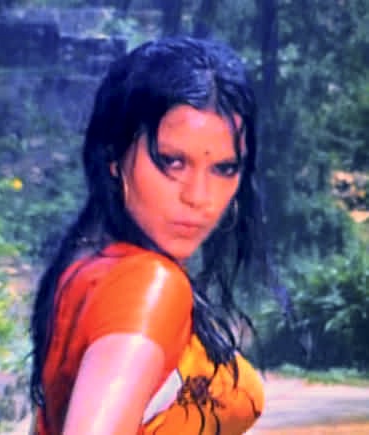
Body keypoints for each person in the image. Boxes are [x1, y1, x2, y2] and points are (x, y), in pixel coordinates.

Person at [30, 36, 266, 435]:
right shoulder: (149, 284)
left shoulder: (86, 269)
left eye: (224, 168)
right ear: (114, 157)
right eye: (172, 162)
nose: (199, 197)